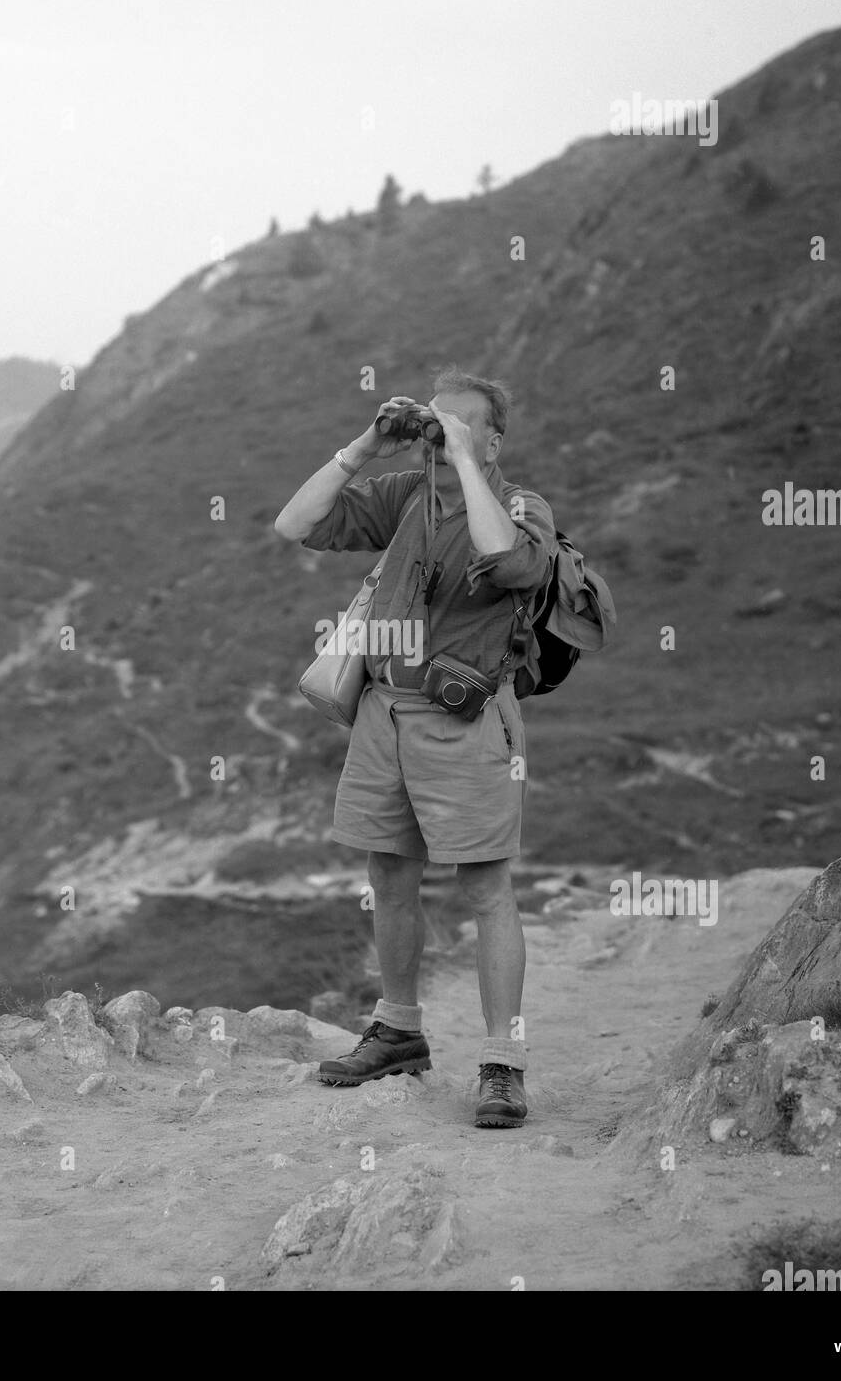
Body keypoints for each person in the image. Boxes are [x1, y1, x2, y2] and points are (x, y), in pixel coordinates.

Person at [274, 366, 556, 1127]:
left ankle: (502, 1064)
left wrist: (465, 461)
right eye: (435, 424)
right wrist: (368, 444)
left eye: (460, 426)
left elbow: (510, 561)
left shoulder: (520, 505)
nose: (439, 436)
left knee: (486, 889)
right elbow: (294, 525)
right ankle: (399, 1030)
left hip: (463, 719)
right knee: (390, 874)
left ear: (495, 438)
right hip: (382, 711)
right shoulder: (403, 496)